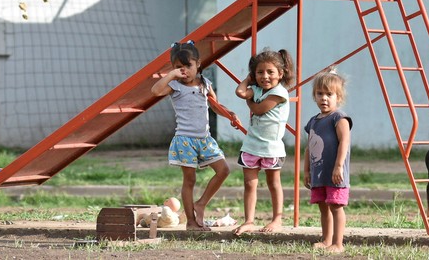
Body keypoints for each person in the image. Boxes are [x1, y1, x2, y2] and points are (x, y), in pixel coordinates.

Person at [151, 40, 240, 232]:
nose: (183, 71)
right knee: (189, 180)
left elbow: (215, 105)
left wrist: (230, 115)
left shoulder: (205, 84)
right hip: (185, 140)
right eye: (178, 67)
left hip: (205, 139)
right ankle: (191, 221)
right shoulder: (175, 86)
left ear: (198, 64)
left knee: (223, 170)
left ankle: (200, 204)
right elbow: (155, 91)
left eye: (188, 66)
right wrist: (171, 75)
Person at [232, 48, 293, 235]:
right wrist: (248, 79)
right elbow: (240, 92)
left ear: (280, 74)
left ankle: (277, 219)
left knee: (273, 183)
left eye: (270, 72)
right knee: (249, 184)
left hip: (271, 148)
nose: (265, 76)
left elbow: (259, 110)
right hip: (251, 145)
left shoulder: (280, 93)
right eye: (260, 72)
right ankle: (249, 221)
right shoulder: (256, 89)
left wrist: (250, 102)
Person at [303, 70, 352, 254]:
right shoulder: (313, 121)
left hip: (335, 174)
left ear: (338, 97)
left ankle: (338, 244)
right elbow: (309, 148)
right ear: (314, 96)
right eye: (320, 93)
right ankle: (326, 240)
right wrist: (306, 171)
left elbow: (344, 142)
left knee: (336, 207)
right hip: (319, 173)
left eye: (329, 94)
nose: (324, 98)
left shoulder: (339, 118)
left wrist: (338, 166)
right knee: (323, 207)